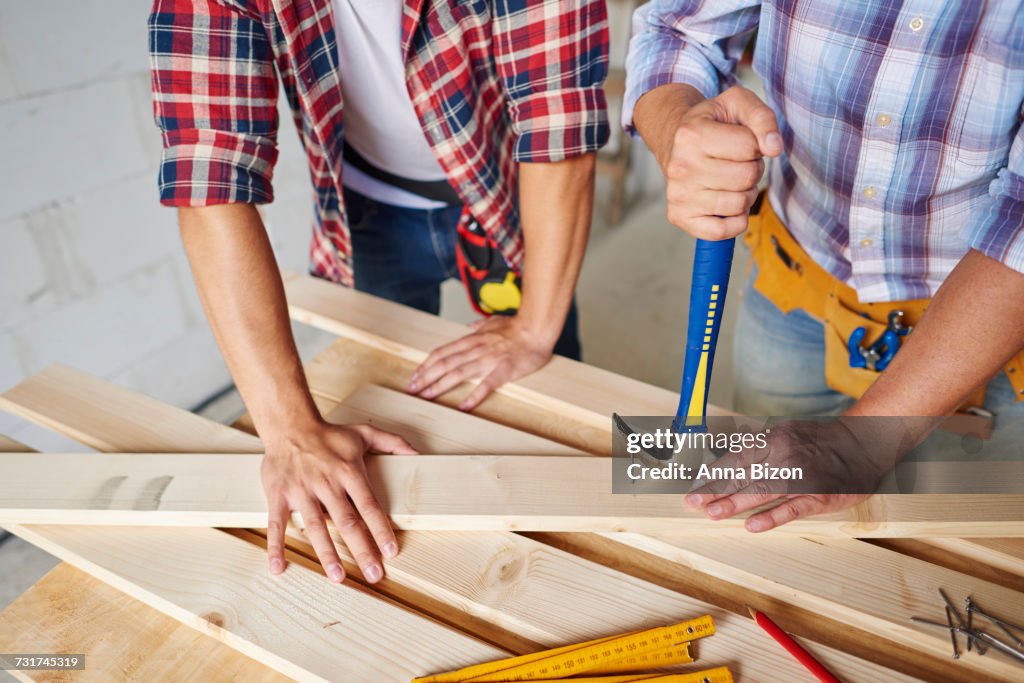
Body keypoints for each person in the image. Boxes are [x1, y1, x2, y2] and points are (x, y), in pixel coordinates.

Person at [148, 0, 609, 582]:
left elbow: (558, 124)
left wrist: (535, 327)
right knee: (390, 414)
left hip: (514, 192)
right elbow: (209, 178)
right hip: (367, 208)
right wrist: (291, 434)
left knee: (557, 404)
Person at [626, 2, 1024, 529]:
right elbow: (676, 29)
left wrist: (867, 440)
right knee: (764, 521)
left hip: (991, 343)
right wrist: (679, 123)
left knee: (960, 547)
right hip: (796, 288)